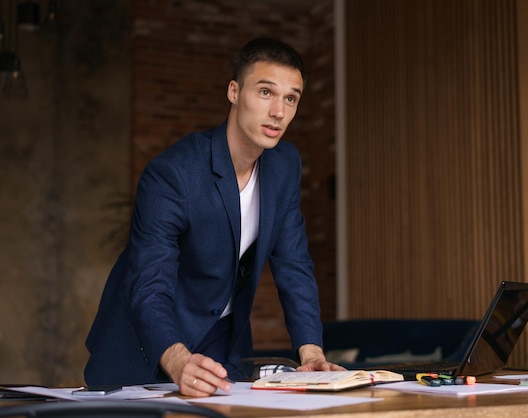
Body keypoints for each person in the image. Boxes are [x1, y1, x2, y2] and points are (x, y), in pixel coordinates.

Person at [83, 37, 344, 397]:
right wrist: (176, 360)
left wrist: (311, 352)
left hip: (222, 345)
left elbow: (294, 264)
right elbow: (149, 283)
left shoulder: (285, 165)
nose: (279, 112)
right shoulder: (173, 173)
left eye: (291, 98)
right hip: (144, 346)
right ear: (234, 91)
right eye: (265, 92)